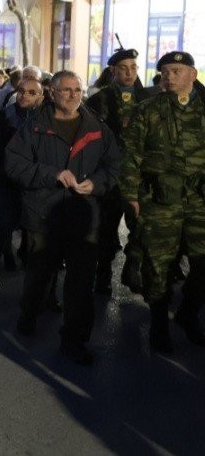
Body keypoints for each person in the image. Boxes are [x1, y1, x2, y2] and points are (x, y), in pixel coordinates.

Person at [5, 71, 121, 365]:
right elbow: (14, 164)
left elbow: (114, 165)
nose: (73, 95)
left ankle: (74, 340)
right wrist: (52, 174)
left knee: (81, 284)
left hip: (84, 218)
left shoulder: (97, 128)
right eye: (66, 90)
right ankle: (29, 313)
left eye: (78, 90)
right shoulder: (34, 127)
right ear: (52, 93)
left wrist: (97, 183)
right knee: (39, 275)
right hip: (44, 214)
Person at [120, 51, 205, 352]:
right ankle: (158, 323)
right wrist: (131, 195)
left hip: (199, 200)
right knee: (159, 265)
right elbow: (131, 155)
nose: (169, 76)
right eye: (165, 71)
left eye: (177, 71)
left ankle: (188, 313)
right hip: (159, 200)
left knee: (202, 264)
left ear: (192, 75)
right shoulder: (147, 109)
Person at [85, 48, 151, 295]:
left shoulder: (147, 99)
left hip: (139, 178)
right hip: (110, 178)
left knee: (141, 227)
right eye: (124, 68)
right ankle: (102, 277)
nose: (130, 73)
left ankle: (132, 270)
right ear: (113, 71)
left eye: (133, 67)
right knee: (106, 231)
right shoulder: (99, 100)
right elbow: (91, 139)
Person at [0, 77, 45, 290]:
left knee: (35, 232)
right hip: (8, 183)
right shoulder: (4, 117)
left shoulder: (47, 120)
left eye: (31, 92)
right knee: (2, 229)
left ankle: (34, 278)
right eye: (22, 91)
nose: (24, 95)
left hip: (34, 185)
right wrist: (8, 170)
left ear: (41, 97)